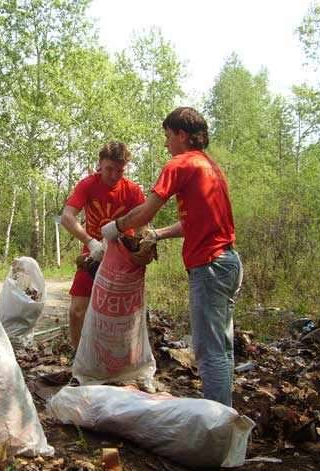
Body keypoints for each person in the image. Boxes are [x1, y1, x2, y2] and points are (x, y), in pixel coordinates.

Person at [102, 107, 242, 407]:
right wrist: (157, 234)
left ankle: (217, 427)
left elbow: (147, 211)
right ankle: (224, 417)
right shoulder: (211, 168)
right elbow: (195, 222)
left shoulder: (180, 164)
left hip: (210, 266)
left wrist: (116, 227)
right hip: (229, 263)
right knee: (224, 348)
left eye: (168, 136)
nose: (166, 144)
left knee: (209, 352)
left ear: (181, 135)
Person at [61, 141, 145, 349]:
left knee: (124, 314)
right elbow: (67, 217)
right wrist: (89, 242)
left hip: (123, 260)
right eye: (109, 169)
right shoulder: (88, 184)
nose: (114, 175)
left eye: (120, 170)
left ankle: (120, 358)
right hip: (93, 255)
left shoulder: (133, 190)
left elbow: (144, 225)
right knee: (77, 310)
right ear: (100, 164)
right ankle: (79, 359)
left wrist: (142, 246)